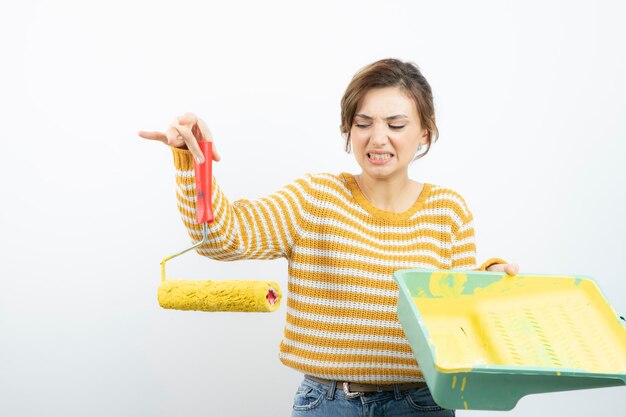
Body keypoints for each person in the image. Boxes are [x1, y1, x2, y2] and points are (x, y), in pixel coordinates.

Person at [139, 58, 519, 417]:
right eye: (363, 123)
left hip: (421, 404)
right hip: (328, 403)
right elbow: (221, 238)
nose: (378, 138)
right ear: (348, 130)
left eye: (396, 124)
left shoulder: (448, 210)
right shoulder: (315, 199)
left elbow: (458, 322)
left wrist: (488, 282)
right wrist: (192, 160)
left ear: (425, 131)